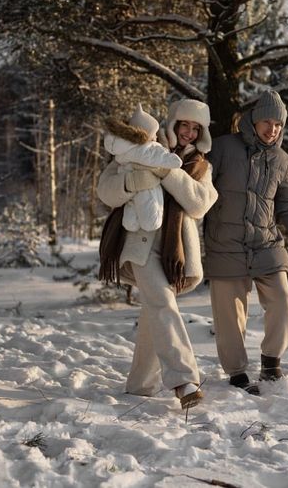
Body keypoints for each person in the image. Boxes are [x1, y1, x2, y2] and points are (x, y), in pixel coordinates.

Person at [98, 99, 218, 409]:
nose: (189, 133)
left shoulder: (202, 166)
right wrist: (132, 181)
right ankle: (184, 380)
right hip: (139, 244)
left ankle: (140, 386)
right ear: (173, 124)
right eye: (184, 125)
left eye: (196, 128)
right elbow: (106, 191)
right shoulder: (138, 145)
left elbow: (200, 203)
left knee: (155, 309)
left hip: (175, 251)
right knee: (162, 304)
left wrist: (167, 172)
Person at [204, 89, 288, 395]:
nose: (273, 129)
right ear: (253, 120)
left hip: (266, 244)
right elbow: (198, 191)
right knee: (229, 314)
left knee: (281, 301)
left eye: (278, 124)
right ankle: (237, 371)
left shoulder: (282, 160)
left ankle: (270, 361)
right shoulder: (223, 148)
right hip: (226, 244)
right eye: (267, 121)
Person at [103, 103, 182, 232]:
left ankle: (130, 224)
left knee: (132, 207)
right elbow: (158, 157)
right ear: (145, 135)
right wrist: (174, 160)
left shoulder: (123, 150)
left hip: (131, 187)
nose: (156, 138)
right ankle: (149, 223)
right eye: (154, 134)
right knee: (150, 211)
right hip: (146, 186)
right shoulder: (145, 149)